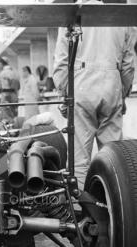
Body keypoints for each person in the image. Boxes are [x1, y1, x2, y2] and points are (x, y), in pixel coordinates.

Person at [53, 0, 135, 189]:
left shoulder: (71, 14)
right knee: (115, 157)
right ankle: (115, 208)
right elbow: (129, 63)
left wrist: (64, 93)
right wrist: (122, 94)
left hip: (82, 83)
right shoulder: (121, 17)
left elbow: (61, 61)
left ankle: (80, 210)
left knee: (79, 159)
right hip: (112, 81)